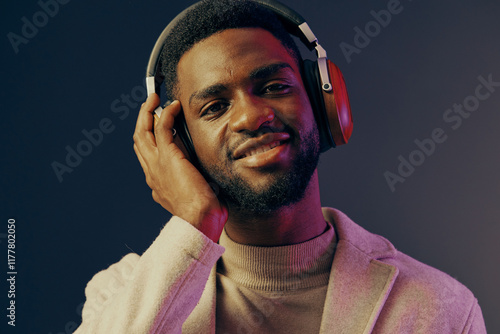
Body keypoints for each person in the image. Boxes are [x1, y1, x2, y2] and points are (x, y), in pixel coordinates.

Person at [75, 0, 486, 333]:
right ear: (178, 141)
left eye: (273, 87)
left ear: (322, 102)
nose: (251, 117)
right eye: (216, 107)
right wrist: (195, 222)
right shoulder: (122, 293)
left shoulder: (440, 307)